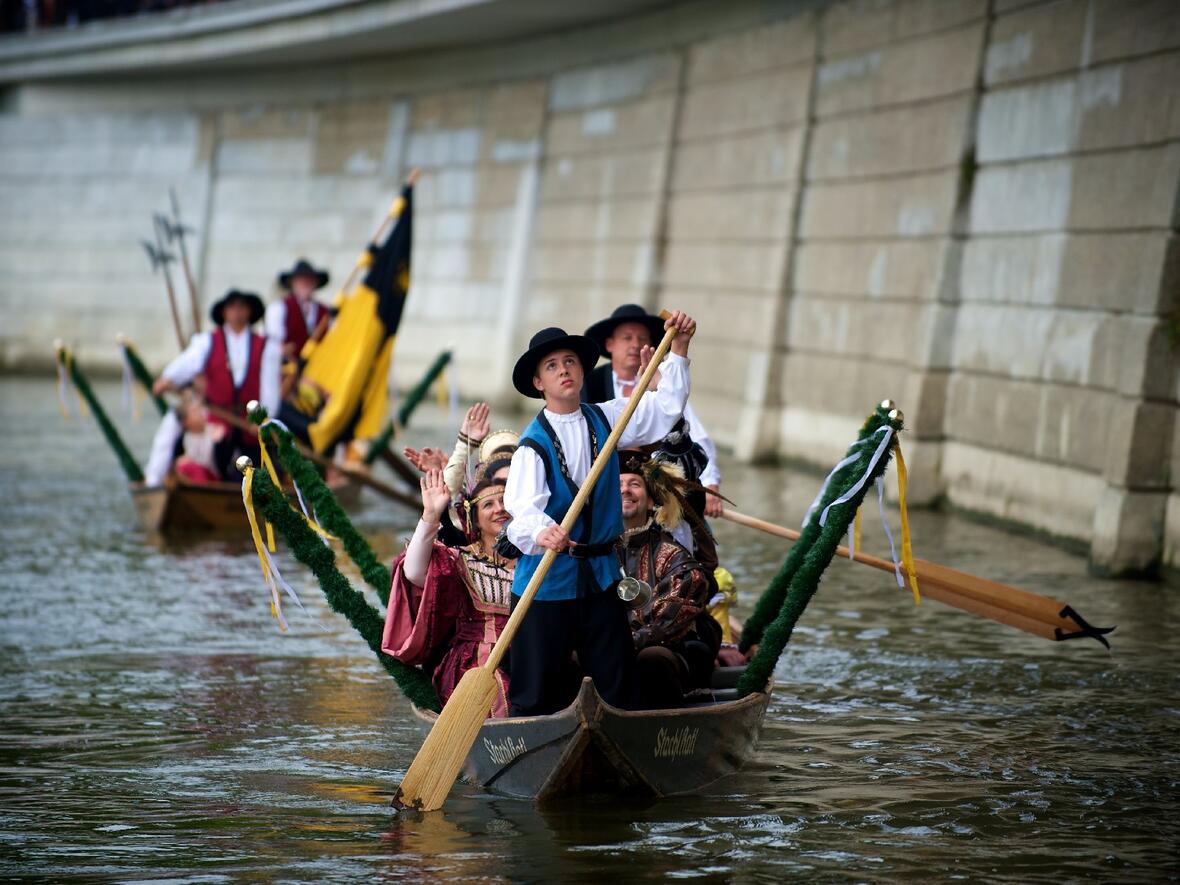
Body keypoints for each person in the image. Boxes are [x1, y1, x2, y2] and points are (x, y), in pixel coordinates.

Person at [502, 311, 697, 717]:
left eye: (570, 362)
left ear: (582, 369)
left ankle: (620, 738)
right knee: (535, 693)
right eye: (552, 366)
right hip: (547, 581)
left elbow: (666, 410)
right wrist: (541, 532)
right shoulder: (531, 445)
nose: (564, 371)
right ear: (539, 383)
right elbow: (520, 510)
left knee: (617, 684)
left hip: (601, 578)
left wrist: (677, 350)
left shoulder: (608, 417)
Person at [381, 468, 514, 716]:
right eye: (488, 504)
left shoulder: (537, 558)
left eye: (504, 501)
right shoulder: (459, 560)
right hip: (474, 662)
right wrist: (430, 516)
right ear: (474, 518)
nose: (499, 509)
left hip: (527, 654)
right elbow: (413, 572)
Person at [584, 304, 723, 522]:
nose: (635, 344)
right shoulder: (587, 385)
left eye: (642, 338)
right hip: (605, 488)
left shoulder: (668, 384)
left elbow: (696, 436)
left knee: (687, 522)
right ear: (609, 344)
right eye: (627, 338)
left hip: (659, 491)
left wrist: (709, 484)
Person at [616, 450, 721, 708]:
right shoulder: (590, 553)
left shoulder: (673, 555)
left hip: (660, 653)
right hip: (604, 647)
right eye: (617, 485)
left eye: (634, 484)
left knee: (652, 658)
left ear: (651, 501)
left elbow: (673, 614)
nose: (625, 490)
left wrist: (623, 642)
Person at [152, 289, 280, 479]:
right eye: (232, 307)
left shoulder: (266, 345)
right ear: (224, 313)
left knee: (259, 471)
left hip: (249, 425)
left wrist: (263, 419)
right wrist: (168, 378)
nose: (237, 312)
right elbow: (189, 361)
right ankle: (155, 479)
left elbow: (269, 389)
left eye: (242, 307)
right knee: (182, 438)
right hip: (218, 421)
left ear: (250, 312)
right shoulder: (207, 341)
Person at [142, 390, 226, 486]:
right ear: (186, 422)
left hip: (213, 477)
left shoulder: (215, 430)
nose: (200, 413)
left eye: (197, 410)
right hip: (197, 475)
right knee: (181, 467)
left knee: (192, 468)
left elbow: (219, 462)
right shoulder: (185, 438)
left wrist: (220, 443)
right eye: (194, 412)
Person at [265, 259, 332, 363]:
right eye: (300, 280)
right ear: (292, 283)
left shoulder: (327, 311)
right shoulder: (278, 308)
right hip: (289, 371)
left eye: (309, 280)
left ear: (316, 283)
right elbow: (272, 344)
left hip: (320, 371)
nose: (305, 283)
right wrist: (280, 351)